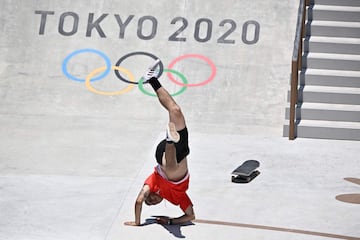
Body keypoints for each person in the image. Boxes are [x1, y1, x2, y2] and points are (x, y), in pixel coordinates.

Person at [124, 60, 195, 226]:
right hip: (181, 151)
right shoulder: (178, 198)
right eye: (154, 203)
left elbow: (139, 201)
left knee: (170, 167)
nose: (153, 201)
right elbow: (191, 216)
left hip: (164, 156)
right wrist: (170, 221)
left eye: (151, 200)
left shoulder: (152, 183)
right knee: (175, 110)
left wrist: (137, 222)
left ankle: (170, 139)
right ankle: (152, 79)